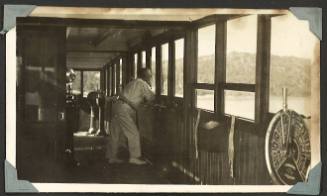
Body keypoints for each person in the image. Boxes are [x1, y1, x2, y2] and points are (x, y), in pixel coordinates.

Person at [106, 68, 155, 165]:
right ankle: (134, 157)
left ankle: (111, 157)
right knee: (133, 133)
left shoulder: (133, 82)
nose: (150, 77)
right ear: (145, 76)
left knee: (115, 132)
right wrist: (150, 85)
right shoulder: (142, 83)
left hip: (117, 106)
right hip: (124, 109)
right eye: (149, 76)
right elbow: (151, 97)